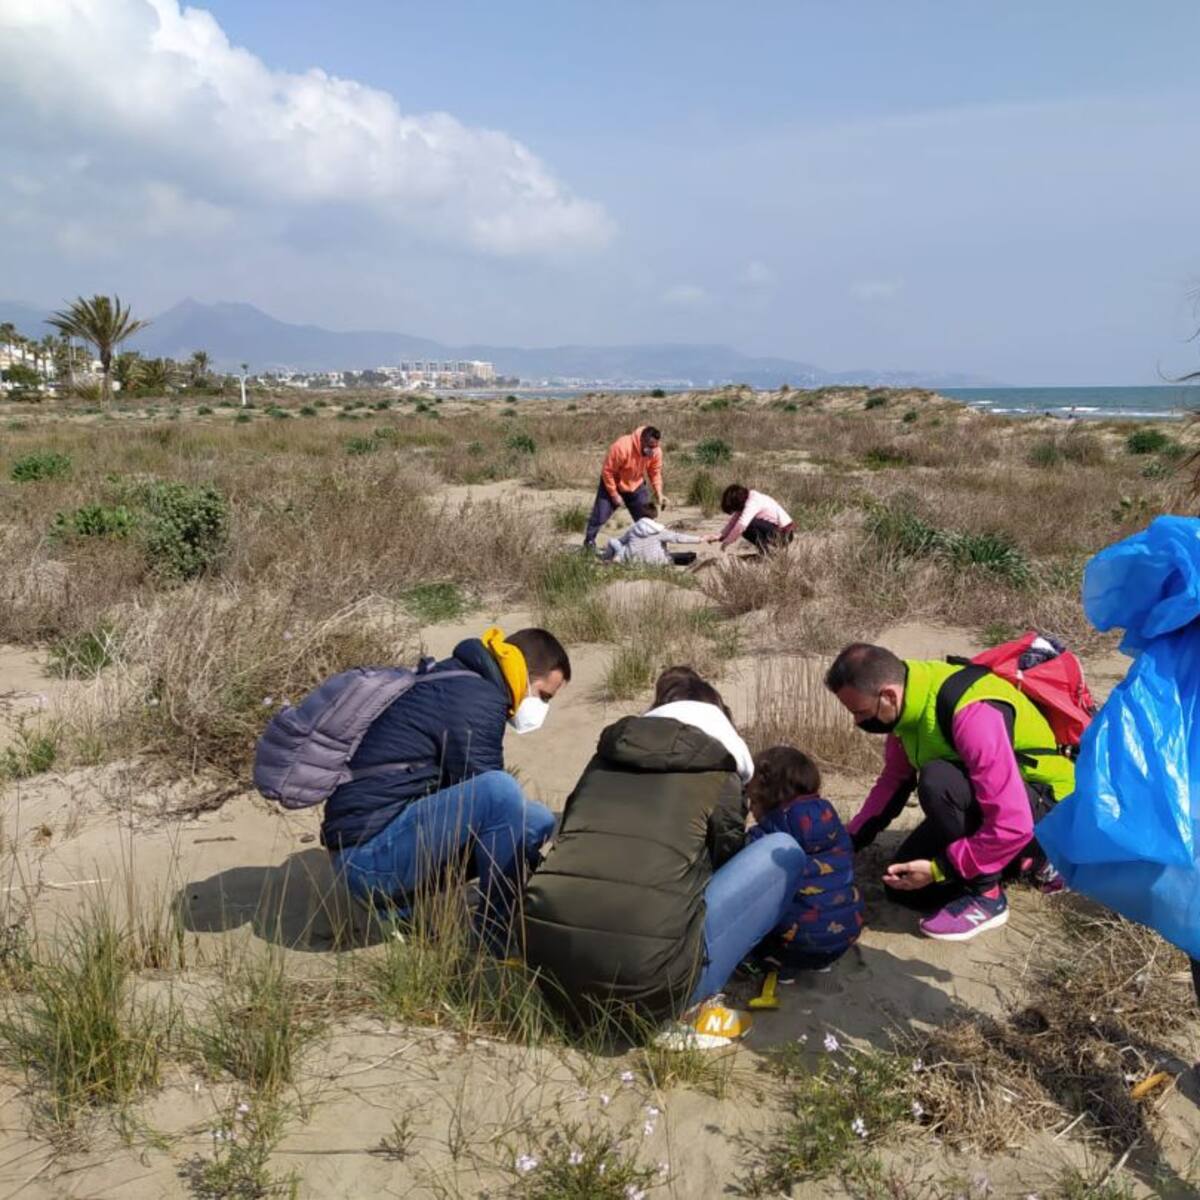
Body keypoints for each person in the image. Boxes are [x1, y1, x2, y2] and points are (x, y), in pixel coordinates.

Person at [522, 666, 805, 1027]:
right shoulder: (720, 775)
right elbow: (726, 863)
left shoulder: (601, 761)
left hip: (545, 972)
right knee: (785, 849)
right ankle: (691, 1006)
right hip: (649, 990)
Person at [323, 626, 570, 951]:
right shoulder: (477, 699)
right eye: (544, 696)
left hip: (383, 843)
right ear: (524, 673)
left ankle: (400, 906)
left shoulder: (462, 680)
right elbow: (492, 803)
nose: (542, 708)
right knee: (501, 793)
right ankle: (497, 934)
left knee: (536, 818)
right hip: (366, 862)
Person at [825, 643, 1074, 942]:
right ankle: (1017, 863)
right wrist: (849, 841)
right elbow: (894, 781)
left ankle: (988, 894)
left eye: (860, 712)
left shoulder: (972, 713)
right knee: (903, 889)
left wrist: (940, 868)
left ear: (889, 695)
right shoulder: (906, 708)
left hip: (1048, 811)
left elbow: (1013, 822)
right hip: (988, 803)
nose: (858, 722)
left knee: (937, 779)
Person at [745, 746, 864, 973]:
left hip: (792, 947)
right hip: (844, 938)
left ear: (765, 797)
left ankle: (780, 968)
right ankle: (820, 963)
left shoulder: (767, 834)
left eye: (753, 801)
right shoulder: (832, 821)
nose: (752, 809)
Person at [582, 425, 665, 550]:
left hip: (636, 484)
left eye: (655, 446)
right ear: (642, 440)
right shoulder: (622, 447)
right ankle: (589, 542)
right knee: (600, 515)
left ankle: (651, 546)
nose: (652, 450)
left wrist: (659, 493)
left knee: (647, 517)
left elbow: (654, 472)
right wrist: (614, 494)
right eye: (650, 446)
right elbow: (607, 472)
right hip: (613, 483)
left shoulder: (656, 451)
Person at [599, 500, 703, 567]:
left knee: (614, 542)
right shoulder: (659, 530)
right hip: (656, 562)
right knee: (672, 556)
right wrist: (700, 539)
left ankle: (606, 559)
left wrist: (608, 548)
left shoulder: (633, 528)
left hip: (632, 561)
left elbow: (619, 542)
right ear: (654, 515)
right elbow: (678, 538)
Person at [707, 484, 794, 555]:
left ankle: (766, 554)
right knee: (745, 525)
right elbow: (732, 523)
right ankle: (765, 552)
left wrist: (727, 542)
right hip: (775, 531)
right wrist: (719, 536)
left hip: (784, 535)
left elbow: (741, 525)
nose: (735, 512)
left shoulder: (753, 502)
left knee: (747, 525)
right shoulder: (746, 500)